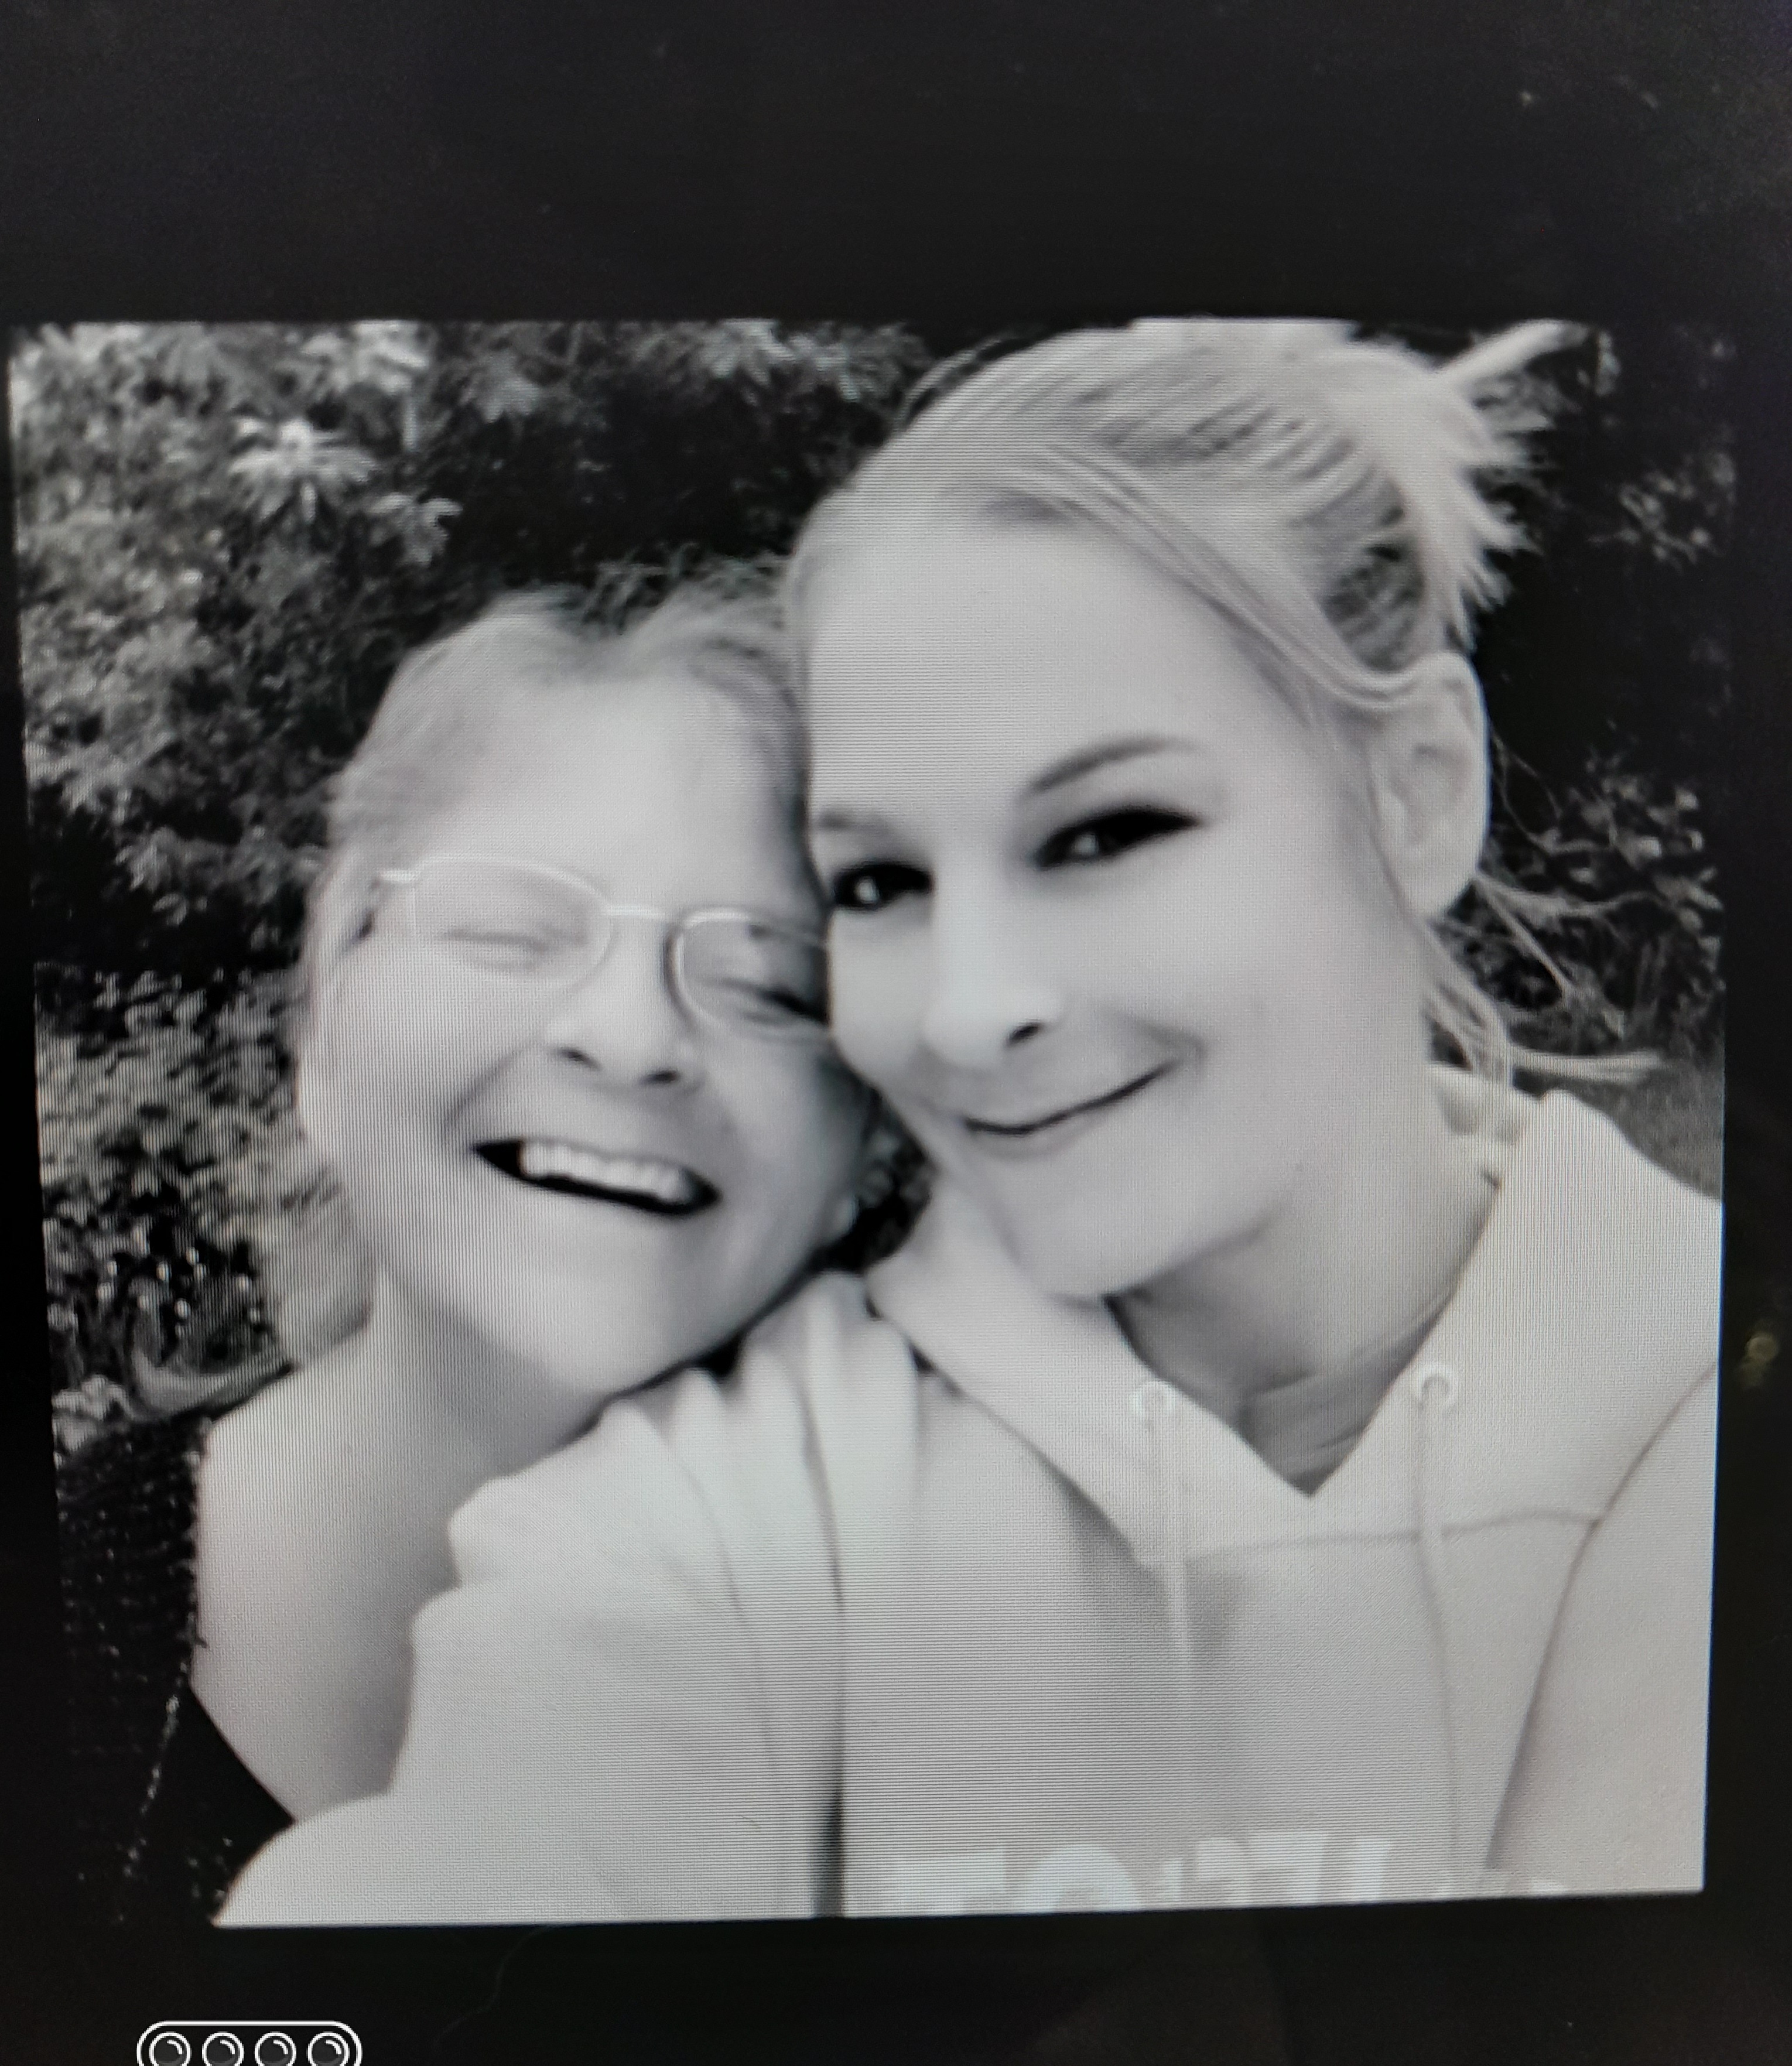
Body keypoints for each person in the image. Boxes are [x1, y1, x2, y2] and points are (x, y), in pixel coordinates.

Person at [222, 319, 1720, 1927]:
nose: (967, 1006)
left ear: (1415, 791)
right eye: (880, 882)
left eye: (1103, 833)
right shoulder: (748, 1497)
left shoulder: (1697, 1376)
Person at [60, 580, 880, 1920]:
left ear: (863, 1141)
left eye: (766, 983)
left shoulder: (1000, 1670)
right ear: (325, 1020)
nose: (631, 1035)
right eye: (511, 932)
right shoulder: (63, 1616)